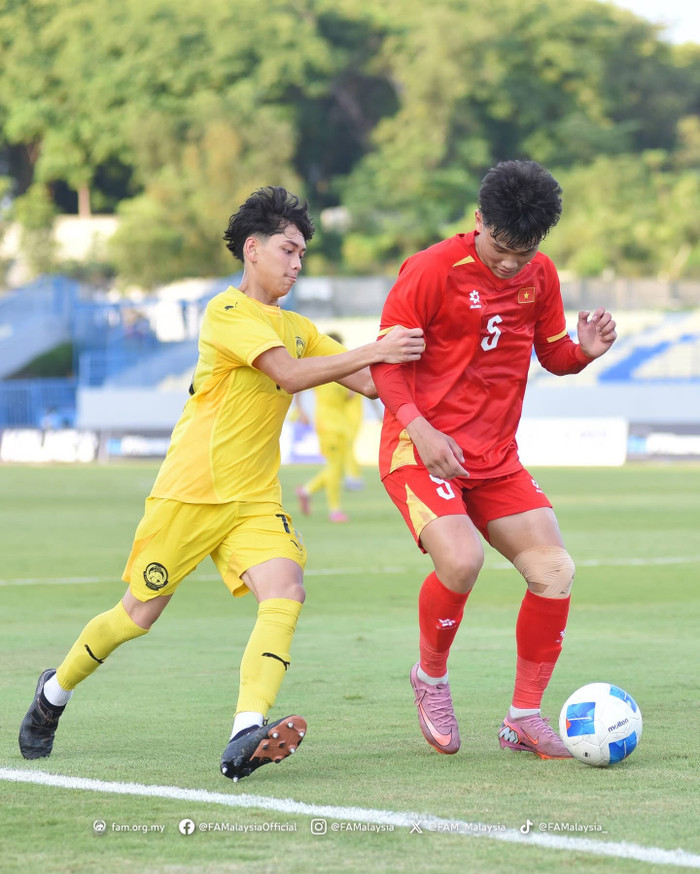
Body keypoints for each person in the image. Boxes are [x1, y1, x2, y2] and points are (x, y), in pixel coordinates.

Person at [18, 186, 424, 782]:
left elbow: (367, 379)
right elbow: (286, 375)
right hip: (189, 492)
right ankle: (54, 693)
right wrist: (376, 348)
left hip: (254, 499)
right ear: (253, 249)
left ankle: (245, 733)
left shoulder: (299, 326)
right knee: (136, 616)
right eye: (288, 249)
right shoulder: (226, 312)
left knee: (286, 589)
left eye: (303, 255)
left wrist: (425, 360)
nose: (296, 263)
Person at [370, 160, 617, 759]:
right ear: (478, 220)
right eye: (502, 248)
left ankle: (523, 717)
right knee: (462, 561)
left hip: (497, 457)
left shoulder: (541, 275)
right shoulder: (430, 270)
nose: (511, 262)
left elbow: (552, 355)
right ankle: (430, 679)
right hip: (421, 447)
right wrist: (421, 430)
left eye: (525, 251)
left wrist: (582, 352)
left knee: (554, 571)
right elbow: (384, 361)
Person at [295, 333, 361, 522]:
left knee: (337, 469)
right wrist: (301, 411)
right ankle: (335, 510)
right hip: (327, 424)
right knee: (333, 467)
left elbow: (350, 396)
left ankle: (306, 490)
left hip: (341, 424)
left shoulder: (343, 371)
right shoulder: (319, 367)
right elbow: (297, 383)